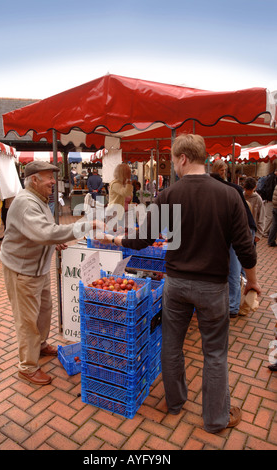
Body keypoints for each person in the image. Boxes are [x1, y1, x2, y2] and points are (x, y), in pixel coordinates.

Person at [98, 134, 260, 434]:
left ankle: (175, 403)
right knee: (215, 353)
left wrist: (110, 238)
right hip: (213, 287)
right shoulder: (229, 195)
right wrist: (252, 283)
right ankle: (215, 419)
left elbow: (141, 240)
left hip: (177, 284)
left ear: (183, 158)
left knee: (172, 346)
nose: (173, 165)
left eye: (173, 159)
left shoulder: (169, 195)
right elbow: (246, 249)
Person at [0, 161, 104, 386]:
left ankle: (41, 344)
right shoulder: (26, 203)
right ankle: (27, 367)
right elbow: (46, 232)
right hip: (22, 270)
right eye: (48, 177)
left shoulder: (39, 200)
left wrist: (52, 243)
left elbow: (39, 232)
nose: (53, 182)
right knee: (27, 320)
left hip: (38, 267)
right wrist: (86, 225)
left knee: (44, 309)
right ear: (34, 179)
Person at [210, 159, 257, 318]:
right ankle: (237, 301)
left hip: (242, 229)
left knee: (235, 268)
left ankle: (233, 307)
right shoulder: (228, 188)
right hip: (238, 228)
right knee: (235, 268)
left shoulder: (228, 190)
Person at [106, 163, 133, 231]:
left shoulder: (121, 184)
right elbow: (125, 193)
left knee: (119, 232)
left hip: (119, 211)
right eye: (128, 173)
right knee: (113, 233)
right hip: (113, 211)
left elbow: (128, 195)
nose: (130, 175)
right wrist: (129, 184)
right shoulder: (115, 184)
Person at [243, 177, 265, 242]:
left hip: (252, 229)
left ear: (255, 187)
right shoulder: (241, 196)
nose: (248, 192)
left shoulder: (258, 199)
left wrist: (259, 234)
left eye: (250, 190)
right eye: (247, 190)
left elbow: (261, 217)